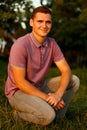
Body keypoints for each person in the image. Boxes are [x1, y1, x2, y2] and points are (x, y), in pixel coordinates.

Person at [5, 6, 80, 125]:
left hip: (38, 86)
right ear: (31, 22)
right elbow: (20, 82)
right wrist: (47, 98)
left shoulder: (52, 43)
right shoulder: (20, 45)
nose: (44, 26)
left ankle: (58, 116)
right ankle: (18, 116)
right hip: (18, 92)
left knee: (74, 80)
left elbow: (66, 70)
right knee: (48, 116)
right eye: (40, 21)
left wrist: (58, 95)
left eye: (48, 22)